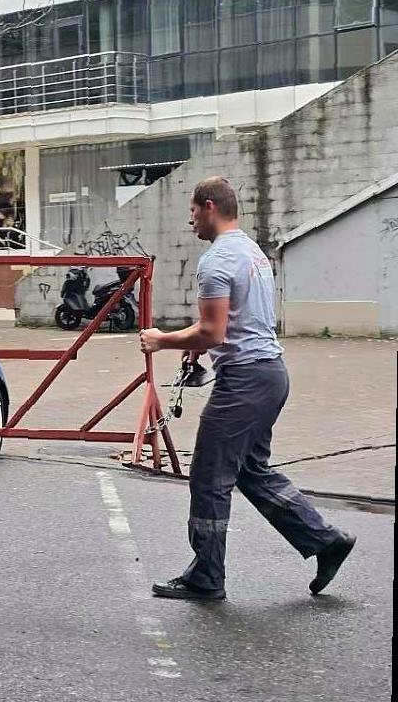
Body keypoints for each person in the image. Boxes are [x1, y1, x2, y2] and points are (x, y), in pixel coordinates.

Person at [139, 177, 355, 600]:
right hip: (270, 374)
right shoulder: (252, 251)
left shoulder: (216, 260)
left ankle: (206, 578)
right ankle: (326, 540)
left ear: (209, 206)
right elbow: (235, 320)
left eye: (192, 210)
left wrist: (162, 340)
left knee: (208, 476)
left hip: (244, 382)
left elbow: (213, 331)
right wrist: (197, 347)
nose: (190, 220)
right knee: (251, 470)